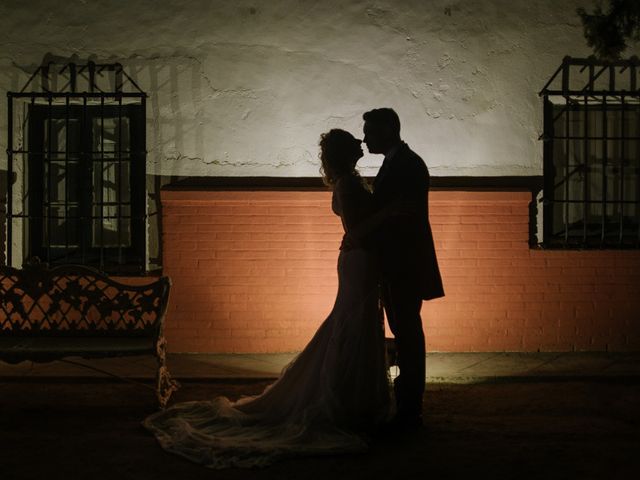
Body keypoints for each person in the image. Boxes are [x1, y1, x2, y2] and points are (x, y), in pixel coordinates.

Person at [143, 129, 393, 469]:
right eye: (353, 141)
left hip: (361, 260)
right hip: (359, 259)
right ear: (343, 152)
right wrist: (389, 215)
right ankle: (346, 401)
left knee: (354, 321)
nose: (361, 143)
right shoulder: (348, 185)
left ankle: (355, 399)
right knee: (352, 322)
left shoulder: (350, 180)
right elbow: (355, 231)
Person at [359, 107, 444, 430]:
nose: (365, 138)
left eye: (370, 132)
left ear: (388, 130)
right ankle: (408, 405)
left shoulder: (407, 165)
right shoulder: (398, 163)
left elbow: (403, 219)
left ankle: (410, 408)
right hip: (397, 263)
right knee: (405, 331)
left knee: (407, 333)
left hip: (403, 264)